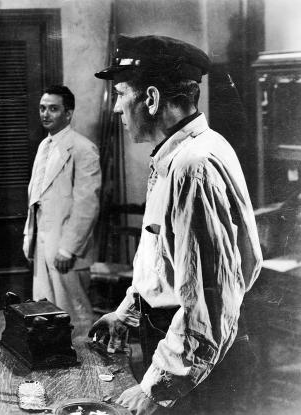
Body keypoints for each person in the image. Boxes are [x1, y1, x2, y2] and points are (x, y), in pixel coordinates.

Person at [89, 35, 262, 414]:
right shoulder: (179, 156)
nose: (116, 108)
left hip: (198, 363)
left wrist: (157, 388)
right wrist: (127, 312)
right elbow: (163, 260)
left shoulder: (192, 166)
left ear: (151, 99)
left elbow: (209, 298)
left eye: (120, 94)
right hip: (181, 343)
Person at [23, 85, 101, 334]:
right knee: (45, 311)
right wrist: (29, 238)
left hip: (67, 248)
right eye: (42, 108)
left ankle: (85, 355)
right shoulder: (44, 147)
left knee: (74, 313)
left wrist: (68, 248)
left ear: (68, 113)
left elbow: (87, 204)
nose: (45, 114)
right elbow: (36, 197)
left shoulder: (83, 149)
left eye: (53, 109)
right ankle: (52, 353)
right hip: (42, 243)